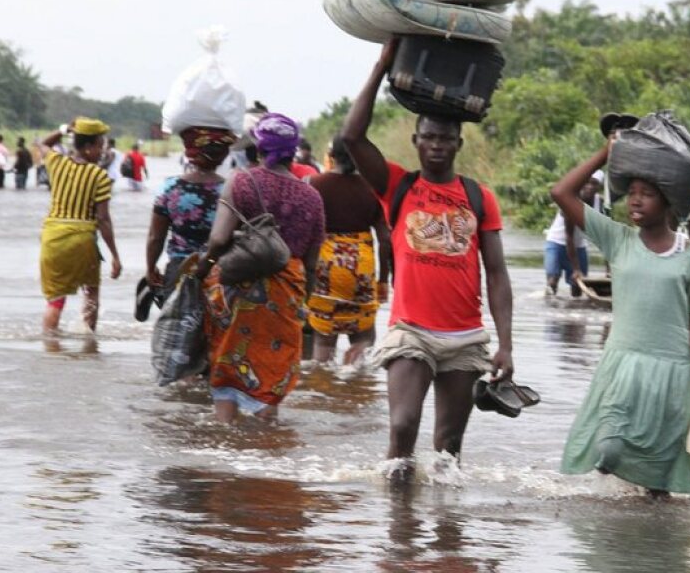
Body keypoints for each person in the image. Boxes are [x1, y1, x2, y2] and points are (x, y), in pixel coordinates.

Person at [342, 41, 513, 481]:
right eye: (429, 138)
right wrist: (382, 65)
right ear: (417, 141)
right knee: (402, 428)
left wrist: (506, 344)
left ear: (459, 143)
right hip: (411, 332)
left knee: (448, 450)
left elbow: (496, 273)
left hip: (464, 337)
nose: (437, 146)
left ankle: (446, 544)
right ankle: (399, 542)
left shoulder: (478, 197)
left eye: (446, 139)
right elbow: (352, 137)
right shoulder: (397, 185)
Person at [551, 139, 690, 498]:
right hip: (623, 366)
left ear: (668, 202)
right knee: (608, 449)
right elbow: (562, 192)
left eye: (647, 194)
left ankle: (650, 549)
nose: (636, 200)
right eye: (632, 193)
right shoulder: (618, 239)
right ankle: (607, 526)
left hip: (671, 373)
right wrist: (604, 152)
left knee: (659, 485)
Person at [195, 113, 325, 423]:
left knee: (228, 370)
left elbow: (218, 239)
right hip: (287, 294)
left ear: (258, 146)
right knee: (271, 371)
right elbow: (311, 263)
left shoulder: (242, 180)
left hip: (239, 287)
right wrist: (301, 304)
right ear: (294, 150)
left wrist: (201, 271)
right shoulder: (312, 197)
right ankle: (266, 443)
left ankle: (227, 442)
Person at [307, 133, 391, 365]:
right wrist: (384, 280)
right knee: (364, 335)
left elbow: (305, 233)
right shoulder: (373, 188)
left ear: (332, 156)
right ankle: (356, 380)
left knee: (323, 343)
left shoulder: (314, 184)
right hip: (361, 270)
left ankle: (322, 390)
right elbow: (385, 239)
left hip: (325, 269)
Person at [36, 118, 123, 334]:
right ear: (87, 147)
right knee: (91, 293)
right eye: (99, 146)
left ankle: (50, 346)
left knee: (55, 301)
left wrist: (64, 129)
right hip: (82, 239)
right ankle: (88, 342)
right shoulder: (99, 176)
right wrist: (115, 255)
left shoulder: (56, 162)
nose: (102, 151)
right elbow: (103, 219)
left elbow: (41, 143)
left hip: (52, 237)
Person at [146, 126, 235, 302]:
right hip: (221, 272)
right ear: (223, 155)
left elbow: (156, 237)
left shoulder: (171, 188)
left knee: (176, 326)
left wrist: (150, 268)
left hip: (179, 269)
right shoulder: (233, 189)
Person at [545, 170, 604, 297]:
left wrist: (610, 269)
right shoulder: (570, 200)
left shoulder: (600, 203)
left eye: (594, 184)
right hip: (557, 243)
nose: (589, 186)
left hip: (580, 246)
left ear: (599, 186)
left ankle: (574, 314)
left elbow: (606, 237)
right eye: (586, 182)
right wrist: (576, 269)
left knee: (578, 287)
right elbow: (569, 236)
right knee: (552, 282)